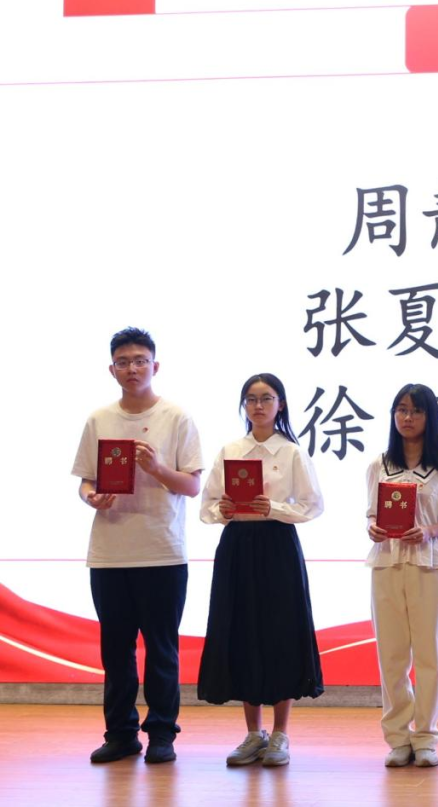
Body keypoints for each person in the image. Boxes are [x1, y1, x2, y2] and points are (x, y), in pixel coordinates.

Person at [71, 327, 203, 764]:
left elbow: (192, 486)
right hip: (109, 553)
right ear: (112, 369)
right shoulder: (99, 419)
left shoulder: (177, 417)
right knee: (116, 650)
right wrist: (91, 496)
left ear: (155, 366)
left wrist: (158, 468)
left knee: (162, 649)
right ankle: (121, 734)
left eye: (140, 360)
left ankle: (162, 734)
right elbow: (86, 481)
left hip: (162, 551)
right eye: (124, 362)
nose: (132, 368)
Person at [198, 373, 324, 767]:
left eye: (266, 398)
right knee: (242, 631)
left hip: (277, 545)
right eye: (251, 399)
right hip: (237, 546)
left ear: (280, 404)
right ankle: (254, 734)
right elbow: (207, 506)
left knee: (281, 633)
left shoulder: (291, 452)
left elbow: (313, 505)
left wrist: (275, 508)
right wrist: (224, 510)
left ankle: (281, 734)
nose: (258, 406)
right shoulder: (231, 450)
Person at [366, 384, 438, 769]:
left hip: (429, 565)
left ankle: (425, 736)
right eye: (401, 410)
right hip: (386, 564)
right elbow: (372, 514)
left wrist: (428, 531)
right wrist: (373, 528)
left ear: (430, 417)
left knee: (429, 656)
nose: (407, 418)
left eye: (416, 411)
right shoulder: (378, 465)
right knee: (391, 656)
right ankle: (397, 738)